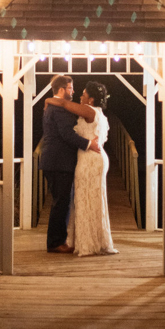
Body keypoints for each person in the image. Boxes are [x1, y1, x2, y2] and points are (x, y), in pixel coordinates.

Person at [45, 80, 118, 256]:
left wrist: (48, 100)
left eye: (84, 94)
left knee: (85, 200)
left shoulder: (88, 110)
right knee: (90, 200)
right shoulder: (98, 113)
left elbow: (63, 103)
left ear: (91, 100)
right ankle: (91, 240)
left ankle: (87, 241)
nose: (80, 95)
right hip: (94, 157)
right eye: (74, 89)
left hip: (90, 159)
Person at [39, 75, 101, 253]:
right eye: (70, 88)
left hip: (56, 161)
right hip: (59, 162)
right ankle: (55, 242)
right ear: (61, 90)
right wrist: (89, 144)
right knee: (61, 202)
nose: (73, 91)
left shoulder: (53, 106)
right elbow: (67, 134)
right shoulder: (58, 109)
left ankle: (56, 240)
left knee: (60, 201)